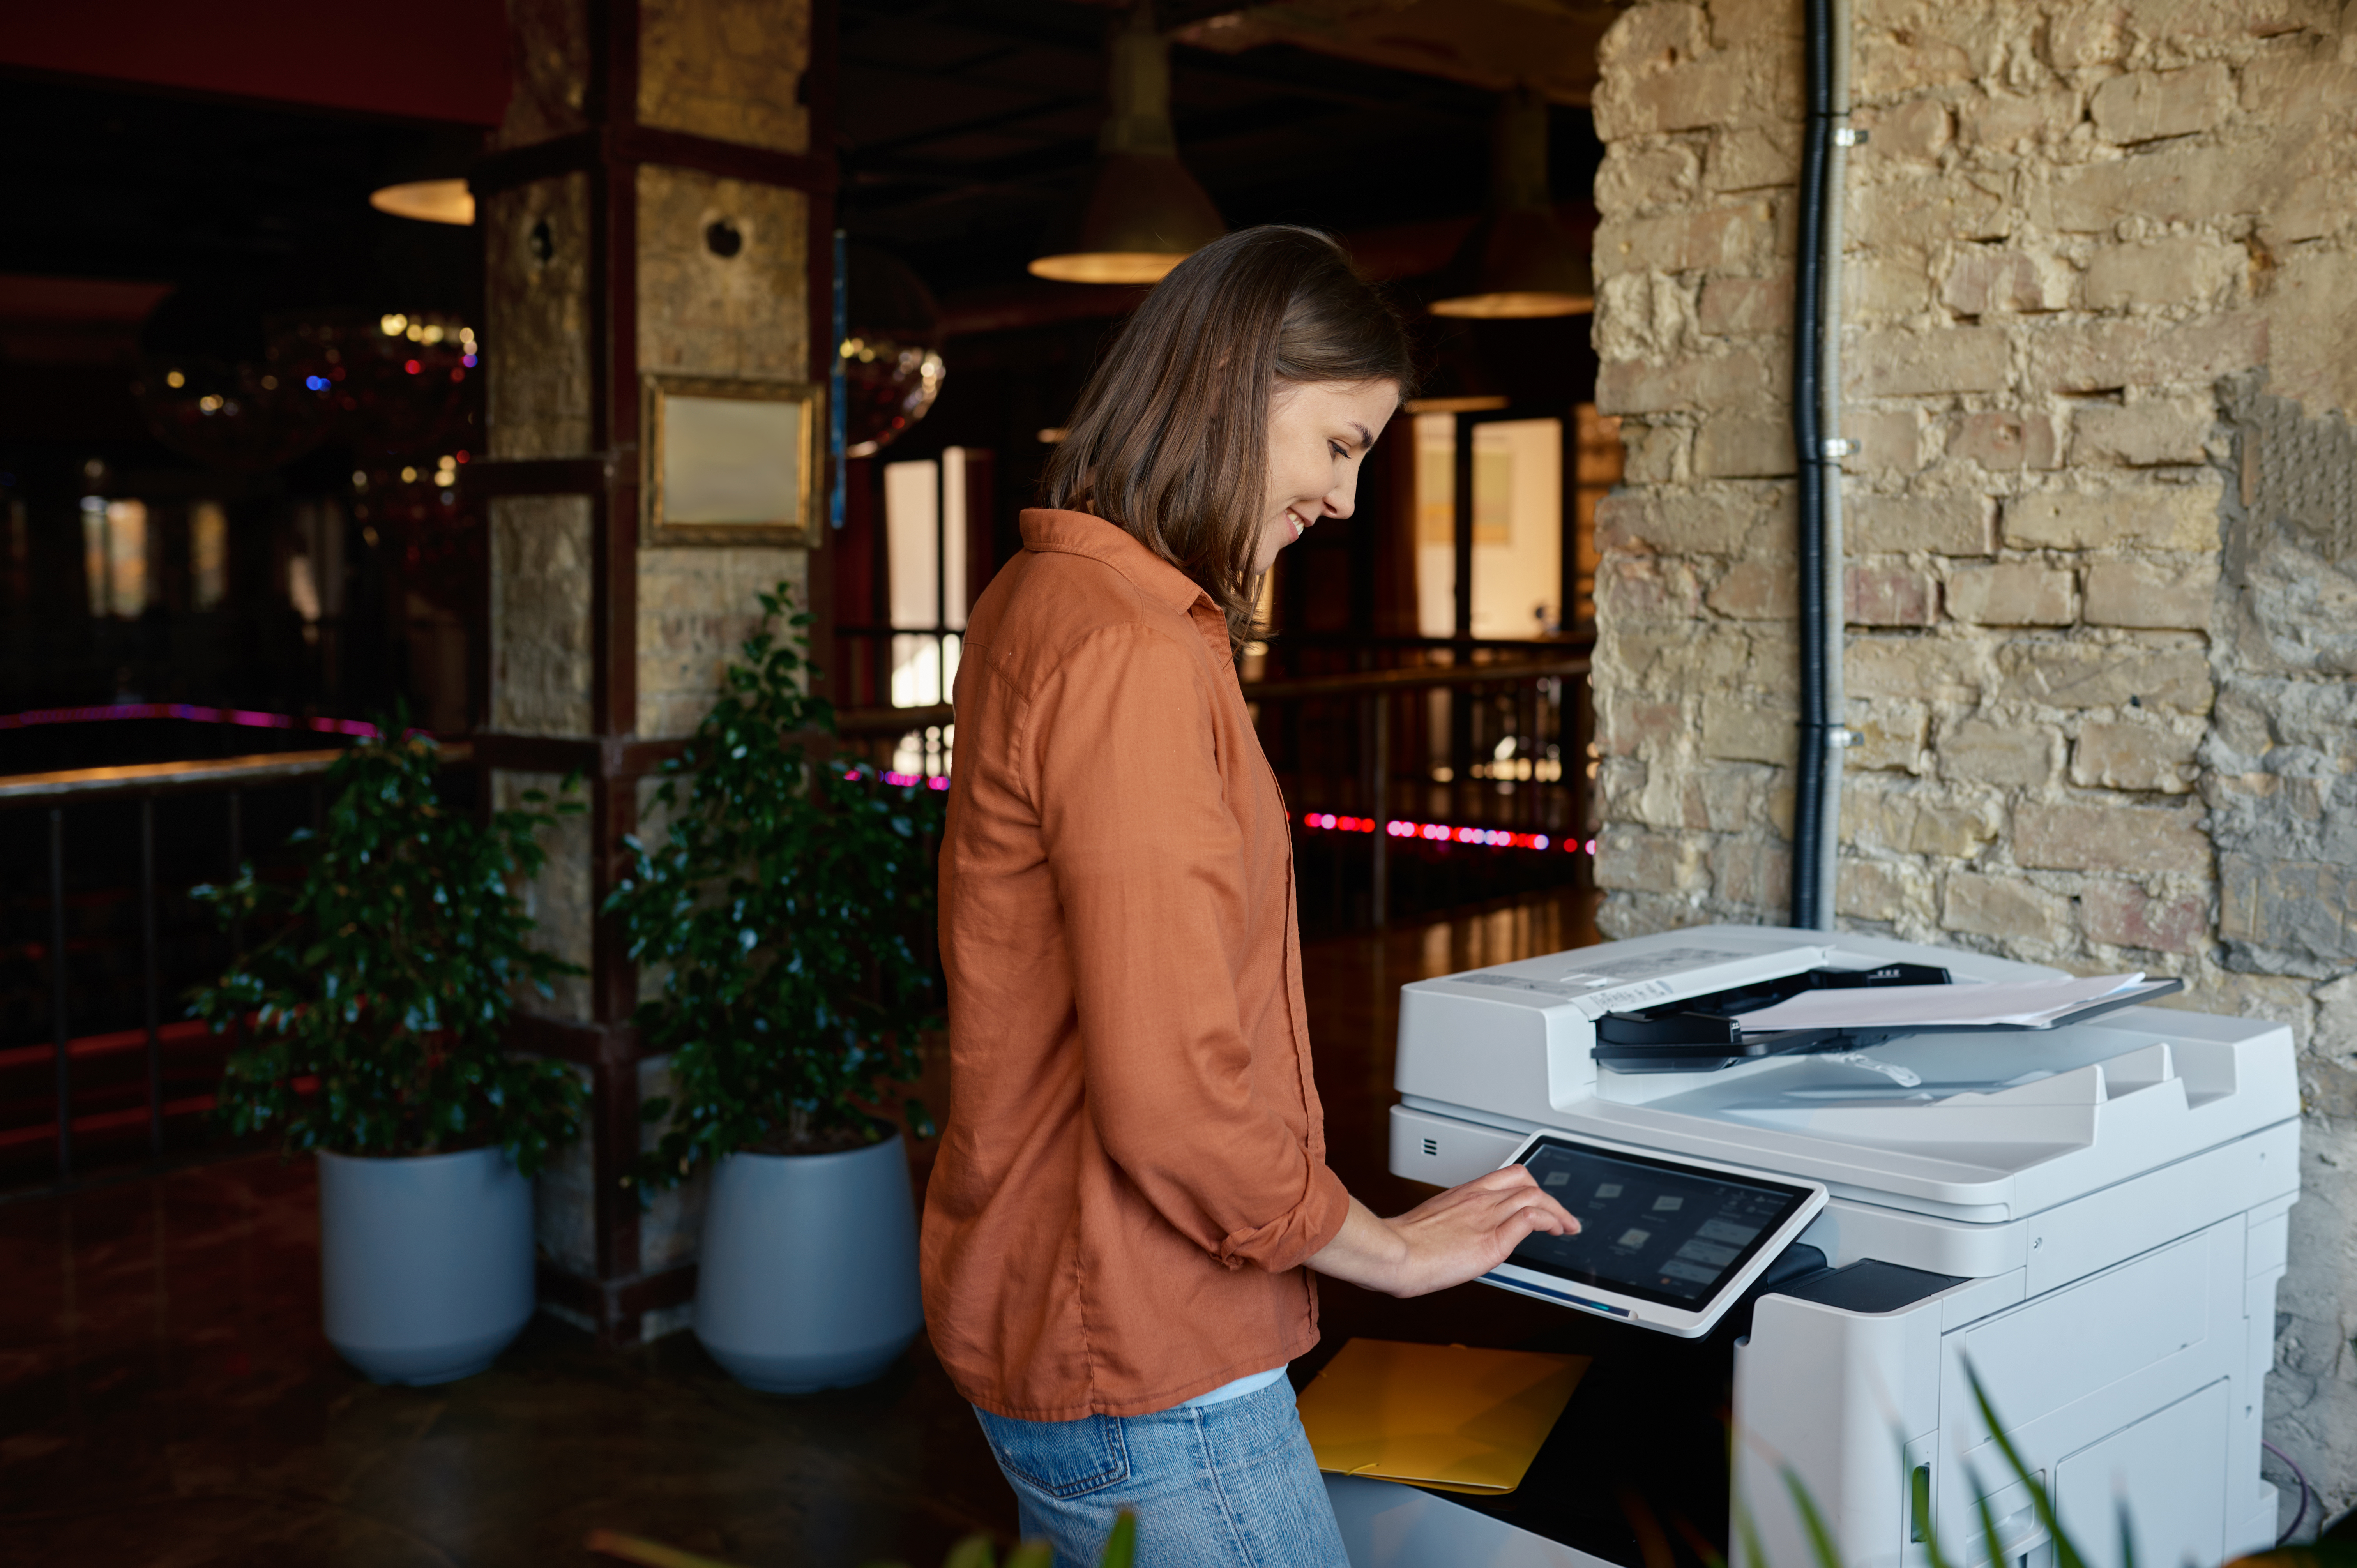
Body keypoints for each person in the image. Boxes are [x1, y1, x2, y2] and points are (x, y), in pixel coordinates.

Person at [919, 225, 1580, 1568]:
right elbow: (1170, 1098)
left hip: (1073, 1307)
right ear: (1235, 381)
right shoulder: (1129, 651)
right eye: (1340, 445)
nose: (1345, 500)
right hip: (1148, 1342)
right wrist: (1386, 1251)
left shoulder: (1043, 595)